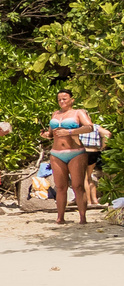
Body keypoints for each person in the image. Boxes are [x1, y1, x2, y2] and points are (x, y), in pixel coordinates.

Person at [40, 89, 96, 224]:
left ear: (72, 100)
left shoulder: (78, 113)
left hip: (75, 151)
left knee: (78, 186)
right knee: (60, 187)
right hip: (56, 153)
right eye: (59, 99)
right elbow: (52, 133)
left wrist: (70, 131)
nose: (61, 101)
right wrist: (46, 135)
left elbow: (89, 127)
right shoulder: (55, 114)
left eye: (64, 99)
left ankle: (83, 218)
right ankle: (60, 218)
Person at [81, 122, 111, 208]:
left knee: (84, 178)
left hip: (83, 152)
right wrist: (102, 146)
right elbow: (107, 133)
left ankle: (88, 201)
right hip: (94, 152)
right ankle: (94, 200)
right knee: (89, 177)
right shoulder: (96, 127)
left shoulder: (79, 127)